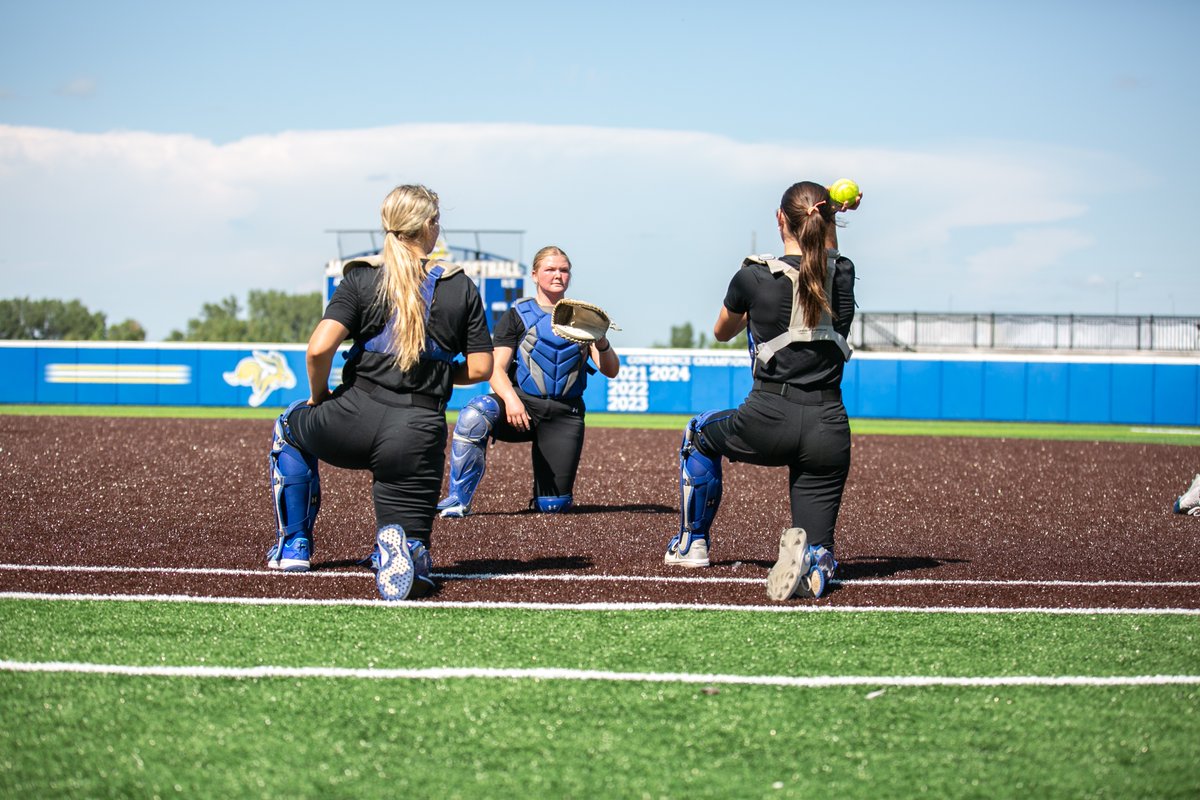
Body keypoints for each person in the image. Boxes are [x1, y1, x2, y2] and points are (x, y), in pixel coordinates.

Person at [266, 184, 494, 600]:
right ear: (428, 226)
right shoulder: (460, 286)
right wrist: (439, 374)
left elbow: (318, 349)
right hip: (416, 431)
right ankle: (403, 549)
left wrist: (319, 397)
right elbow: (481, 368)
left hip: (350, 418)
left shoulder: (361, 278)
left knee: (289, 427)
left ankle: (294, 546)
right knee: (413, 546)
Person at [662, 180, 861, 601]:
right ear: (826, 219)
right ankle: (817, 561)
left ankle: (691, 544)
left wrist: (753, 308)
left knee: (698, 433)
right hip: (828, 427)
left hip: (768, 418)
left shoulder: (752, 277)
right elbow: (827, 255)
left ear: (779, 219)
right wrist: (833, 215)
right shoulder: (843, 273)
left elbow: (721, 331)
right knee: (818, 540)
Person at [436, 245, 620, 517]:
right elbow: (495, 369)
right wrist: (511, 400)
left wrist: (601, 341)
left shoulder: (582, 317)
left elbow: (611, 370)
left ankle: (547, 494)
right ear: (534, 275)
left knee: (553, 507)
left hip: (564, 414)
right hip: (522, 406)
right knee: (475, 415)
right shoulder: (517, 314)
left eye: (564, 270)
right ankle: (458, 500)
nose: (557, 275)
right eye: (550, 269)